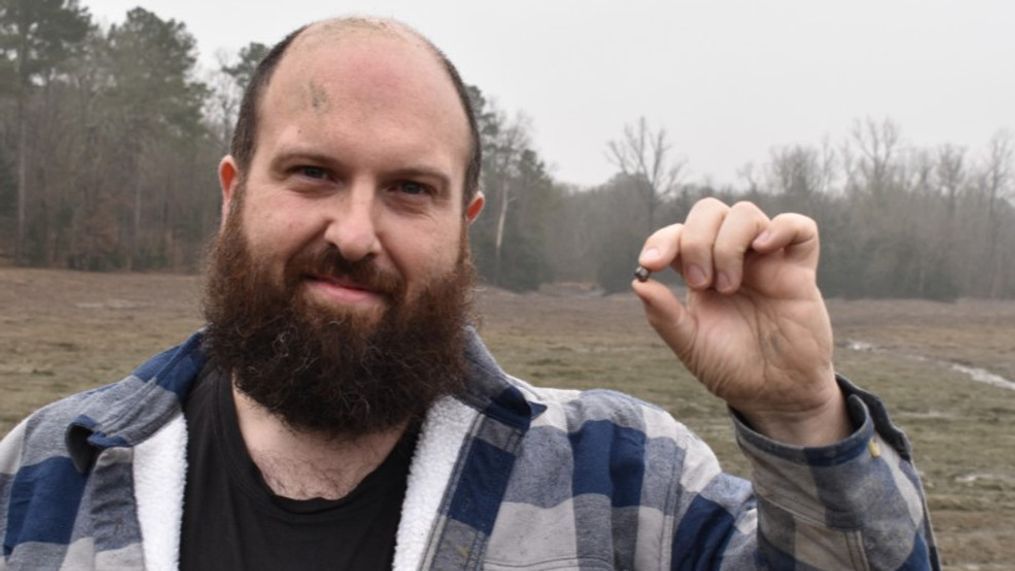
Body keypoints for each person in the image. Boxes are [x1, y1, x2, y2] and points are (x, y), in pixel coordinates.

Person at [0, 17, 937, 571]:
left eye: (410, 189)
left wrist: (799, 411)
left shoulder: (618, 484)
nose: (356, 233)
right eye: (314, 173)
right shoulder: (46, 478)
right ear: (234, 193)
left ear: (465, 222)